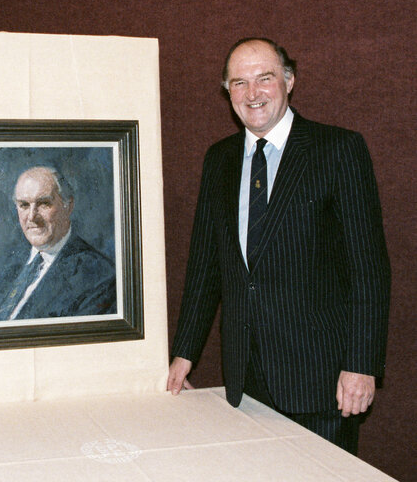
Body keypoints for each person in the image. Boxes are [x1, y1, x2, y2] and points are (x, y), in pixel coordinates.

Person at [166, 38, 390, 455]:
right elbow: (205, 267)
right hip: (246, 380)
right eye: (239, 83)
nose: (253, 94)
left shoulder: (338, 150)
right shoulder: (219, 160)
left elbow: (369, 269)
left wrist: (362, 365)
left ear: (289, 80)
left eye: (264, 78)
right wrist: (183, 353)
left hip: (322, 383)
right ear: (227, 92)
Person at [0, 166, 116, 321]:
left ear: (68, 206)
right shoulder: (7, 268)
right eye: (24, 205)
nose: (32, 217)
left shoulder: (99, 277)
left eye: (44, 204)